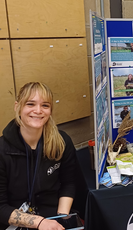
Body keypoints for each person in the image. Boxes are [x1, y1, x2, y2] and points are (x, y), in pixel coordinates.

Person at [0, 82, 77, 230]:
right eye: (30, 104)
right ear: (18, 107)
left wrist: (61, 219)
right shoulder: (2, 150)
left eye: (45, 106)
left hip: (53, 217)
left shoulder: (62, 142)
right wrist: (40, 223)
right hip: (14, 222)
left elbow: (68, 184)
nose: (38, 111)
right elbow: (0, 207)